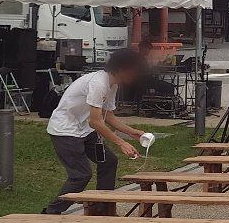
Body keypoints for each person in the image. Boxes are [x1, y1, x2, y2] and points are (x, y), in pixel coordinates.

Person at [43, 48, 149, 213]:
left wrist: (131, 131)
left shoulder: (112, 84)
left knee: (109, 161)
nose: (137, 75)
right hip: (66, 132)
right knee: (81, 175)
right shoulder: (98, 83)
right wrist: (120, 142)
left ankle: (103, 208)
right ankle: (51, 212)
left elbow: (108, 116)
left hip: (85, 131)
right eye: (135, 71)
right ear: (123, 69)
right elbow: (96, 122)